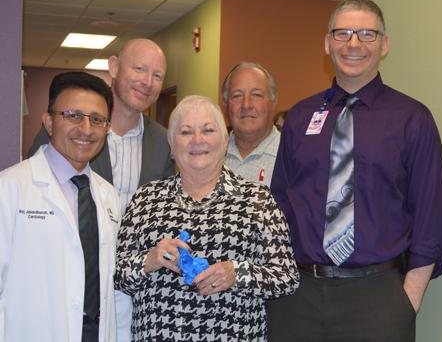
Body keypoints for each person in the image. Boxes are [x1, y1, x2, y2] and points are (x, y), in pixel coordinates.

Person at [268, 0, 442, 342]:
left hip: (378, 299)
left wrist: (405, 302)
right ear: (327, 43)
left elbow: (431, 219)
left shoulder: (413, 119)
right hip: (297, 297)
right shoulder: (300, 117)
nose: (354, 44)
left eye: (367, 34)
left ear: (384, 44)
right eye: (343, 33)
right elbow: (279, 209)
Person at [115, 95, 299, 341]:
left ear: (225, 141)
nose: (197, 140)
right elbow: (117, 277)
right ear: (171, 144)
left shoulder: (257, 200)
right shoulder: (145, 200)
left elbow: (286, 277)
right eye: (186, 132)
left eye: (208, 130)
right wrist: (149, 260)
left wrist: (237, 273)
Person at [28, 38, 174, 341]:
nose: (147, 82)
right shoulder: (72, 130)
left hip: (132, 290)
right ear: (114, 67)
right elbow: (36, 191)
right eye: (139, 69)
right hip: (66, 283)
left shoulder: (164, 143)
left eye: (157, 75)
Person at [0, 72, 121, 342]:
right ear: (49, 122)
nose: (87, 129)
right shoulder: (9, 189)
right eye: (73, 115)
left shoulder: (108, 196)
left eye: (97, 120)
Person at [222, 62, 280, 186]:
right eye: (237, 96)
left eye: (256, 95)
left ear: (273, 102)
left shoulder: (291, 156)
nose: (246, 105)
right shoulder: (210, 155)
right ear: (226, 105)